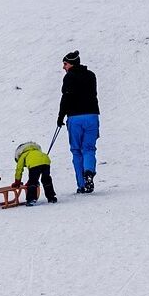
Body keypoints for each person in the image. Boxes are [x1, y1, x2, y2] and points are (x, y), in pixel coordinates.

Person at [57, 50, 100, 193]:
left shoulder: (69, 77)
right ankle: (89, 172)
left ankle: (82, 184)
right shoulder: (91, 75)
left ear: (72, 64)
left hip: (75, 118)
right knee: (89, 148)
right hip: (92, 116)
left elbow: (66, 98)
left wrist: (60, 117)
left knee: (76, 150)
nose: (64, 67)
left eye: (65, 64)